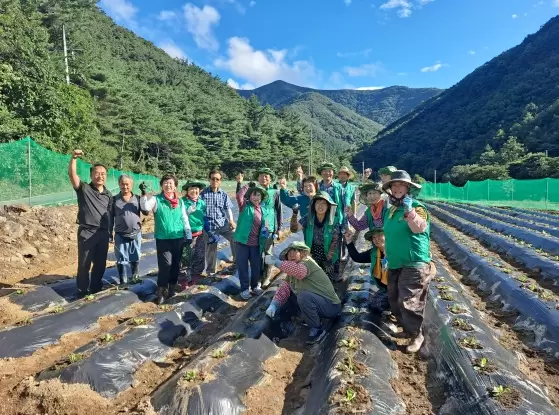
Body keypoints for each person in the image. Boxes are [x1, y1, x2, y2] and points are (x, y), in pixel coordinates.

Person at [382, 170, 433, 353]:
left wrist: (410, 211)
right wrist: (387, 255)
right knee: (394, 298)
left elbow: (419, 228)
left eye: (401, 185)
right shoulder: (390, 211)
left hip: (414, 262)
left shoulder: (417, 208)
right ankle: (407, 329)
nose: (397, 188)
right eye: (394, 185)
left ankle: (416, 335)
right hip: (395, 261)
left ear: (408, 188)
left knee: (409, 300)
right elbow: (389, 234)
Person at [264, 241, 341, 344]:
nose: (291, 254)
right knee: (291, 296)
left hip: (331, 306)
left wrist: (276, 262)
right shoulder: (291, 274)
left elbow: (300, 272)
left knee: (303, 296)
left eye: (294, 251)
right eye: (289, 253)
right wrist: (274, 305)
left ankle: (317, 330)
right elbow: (284, 289)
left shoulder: (308, 262)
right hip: (320, 305)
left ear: (303, 253)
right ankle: (307, 318)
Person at [140, 174, 192, 305]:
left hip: (178, 237)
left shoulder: (180, 202)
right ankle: (161, 291)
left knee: (175, 265)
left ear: (175, 186)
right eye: (165, 183)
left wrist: (189, 234)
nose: (168, 185)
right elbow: (145, 207)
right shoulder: (156, 200)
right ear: (162, 185)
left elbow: (184, 218)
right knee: (165, 266)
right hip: (163, 238)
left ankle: (172, 288)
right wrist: (143, 194)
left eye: (171, 183)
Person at [68, 150, 112, 298]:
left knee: (100, 264)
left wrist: (110, 233)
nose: (100, 176)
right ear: (91, 175)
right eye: (97, 173)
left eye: (103, 173)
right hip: (87, 232)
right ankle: (82, 290)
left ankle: (96, 287)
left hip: (103, 233)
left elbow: (110, 215)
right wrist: (74, 158)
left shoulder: (108, 195)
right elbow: (72, 176)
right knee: (84, 264)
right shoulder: (84, 189)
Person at [291, 192, 340, 281]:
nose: (320, 206)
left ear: (328, 206)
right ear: (314, 205)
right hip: (311, 252)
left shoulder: (334, 221)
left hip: (328, 252)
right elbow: (294, 229)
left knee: (327, 279)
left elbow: (335, 241)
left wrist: (329, 258)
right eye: (318, 203)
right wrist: (294, 214)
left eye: (323, 203)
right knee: (311, 278)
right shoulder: (308, 218)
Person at [234, 184, 270, 299]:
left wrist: (267, 230)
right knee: (243, 266)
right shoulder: (244, 206)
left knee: (256, 266)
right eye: (253, 195)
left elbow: (266, 225)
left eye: (258, 195)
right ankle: (244, 289)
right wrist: (247, 185)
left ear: (261, 197)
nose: (256, 198)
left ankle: (255, 286)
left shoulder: (263, 210)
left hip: (255, 244)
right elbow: (239, 195)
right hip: (242, 243)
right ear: (249, 196)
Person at [111, 174, 146, 285]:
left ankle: (135, 277)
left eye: (127, 184)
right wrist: (109, 233)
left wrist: (144, 194)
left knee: (135, 255)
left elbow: (146, 212)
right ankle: (123, 280)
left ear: (132, 185)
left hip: (136, 233)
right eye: (122, 184)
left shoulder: (138, 198)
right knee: (121, 258)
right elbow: (110, 217)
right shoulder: (114, 199)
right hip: (120, 234)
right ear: (119, 184)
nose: (125, 186)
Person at [200, 169, 237, 275]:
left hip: (222, 223)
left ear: (220, 181)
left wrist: (231, 220)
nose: (215, 181)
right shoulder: (203, 194)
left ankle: (236, 263)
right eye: (213, 179)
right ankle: (210, 271)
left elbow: (228, 208)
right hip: (209, 226)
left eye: (217, 179)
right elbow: (199, 210)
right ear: (209, 179)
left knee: (235, 238)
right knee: (211, 249)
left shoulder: (223, 194)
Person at [344, 229, 389, 313]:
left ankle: (396, 309)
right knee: (372, 304)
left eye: (379, 236)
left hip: (397, 289)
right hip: (385, 288)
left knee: (379, 304)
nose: (377, 239)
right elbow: (357, 257)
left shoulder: (395, 252)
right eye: (374, 237)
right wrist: (349, 241)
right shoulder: (374, 252)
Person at [255, 168, 282, 286]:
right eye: (261, 176)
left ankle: (266, 277)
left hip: (269, 227)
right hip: (255, 227)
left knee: (268, 253)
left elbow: (279, 210)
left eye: (266, 176)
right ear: (258, 178)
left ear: (270, 179)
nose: (264, 178)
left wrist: (279, 228)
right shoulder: (254, 191)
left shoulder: (275, 192)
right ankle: (257, 277)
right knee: (256, 253)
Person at [181, 180, 209, 286]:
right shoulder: (182, 202)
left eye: (196, 188)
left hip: (200, 234)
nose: (194, 191)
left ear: (199, 190)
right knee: (186, 258)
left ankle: (196, 278)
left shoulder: (202, 203)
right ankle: (184, 280)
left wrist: (209, 232)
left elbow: (204, 218)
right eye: (191, 188)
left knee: (199, 256)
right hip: (187, 235)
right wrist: (187, 212)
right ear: (187, 190)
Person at [338, 166, 356, 260]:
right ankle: (339, 253)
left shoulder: (351, 187)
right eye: (341, 174)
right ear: (339, 175)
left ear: (348, 176)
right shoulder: (335, 185)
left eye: (345, 174)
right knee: (337, 235)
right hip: (337, 214)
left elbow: (353, 201)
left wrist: (354, 215)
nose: (343, 176)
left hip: (347, 215)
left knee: (347, 234)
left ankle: (346, 252)